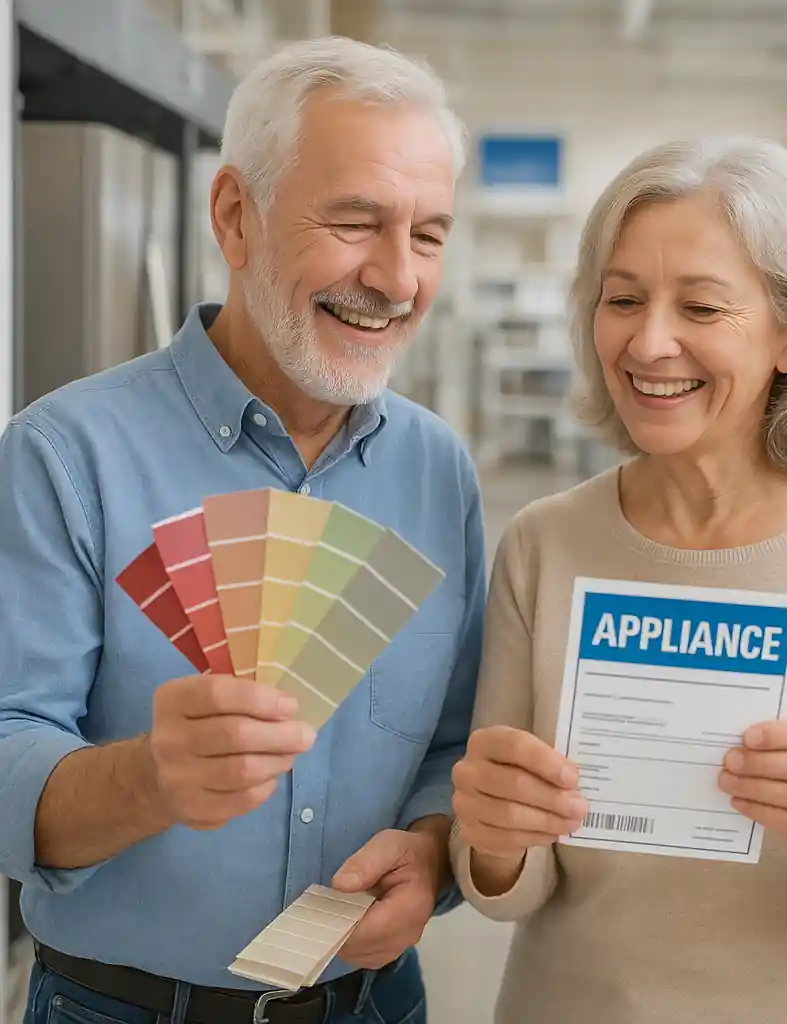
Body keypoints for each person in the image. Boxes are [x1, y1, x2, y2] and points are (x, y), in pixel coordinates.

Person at [449, 136, 787, 1023]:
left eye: (702, 307)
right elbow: (507, 892)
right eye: (621, 299)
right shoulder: (546, 543)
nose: (649, 340)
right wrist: (494, 840)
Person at [0, 36, 484, 1024]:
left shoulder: (438, 471)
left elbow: (452, 738)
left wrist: (432, 852)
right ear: (235, 216)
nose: (395, 278)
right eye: (355, 223)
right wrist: (144, 777)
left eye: (428, 235)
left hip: (375, 1004)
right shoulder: (63, 452)